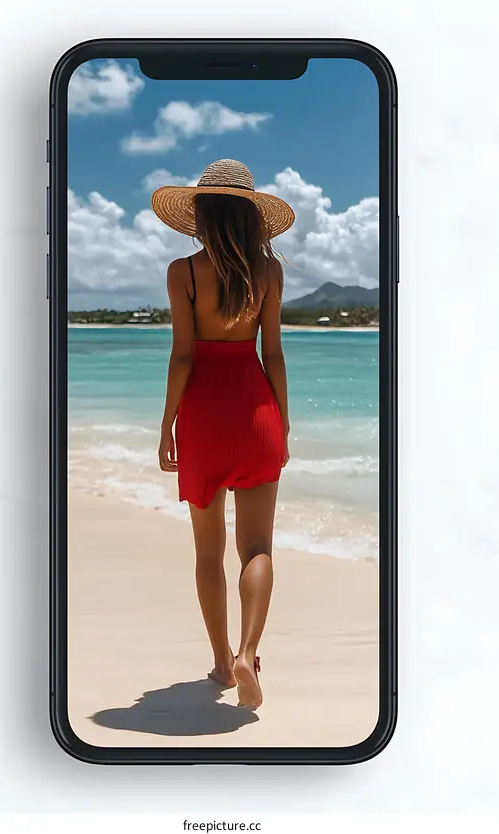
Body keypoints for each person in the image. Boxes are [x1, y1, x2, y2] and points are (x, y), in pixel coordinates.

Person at [151, 159, 295, 709]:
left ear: (202, 215)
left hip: (204, 416)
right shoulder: (269, 273)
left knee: (208, 552)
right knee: (256, 548)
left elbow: (183, 356)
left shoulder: (183, 272)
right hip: (256, 411)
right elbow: (273, 354)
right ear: (252, 217)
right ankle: (248, 652)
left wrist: (167, 423)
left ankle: (220, 662)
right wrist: (282, 420)